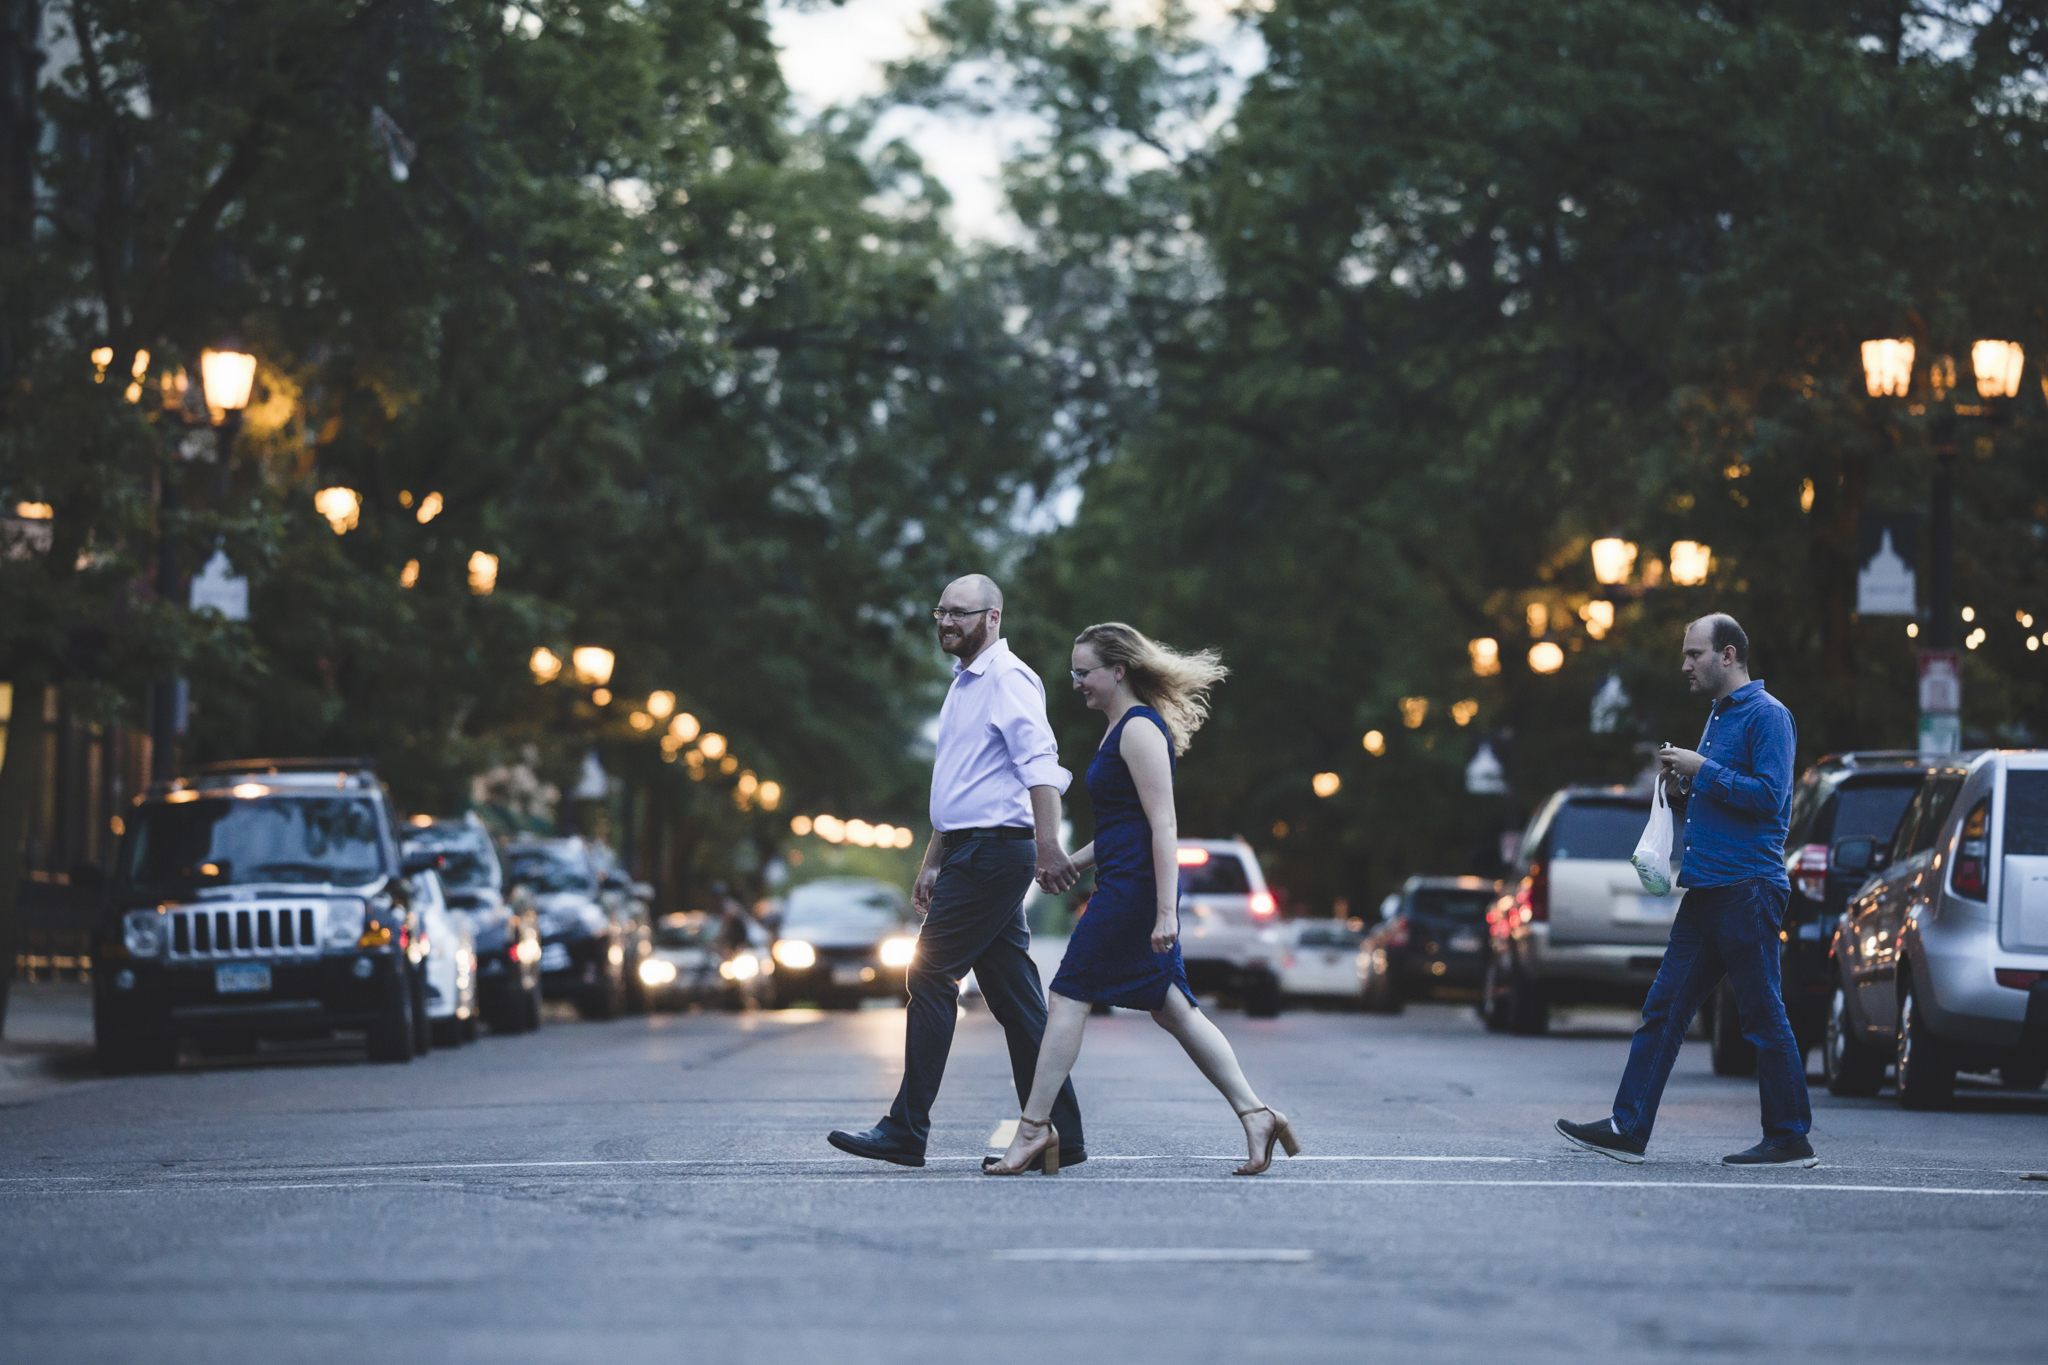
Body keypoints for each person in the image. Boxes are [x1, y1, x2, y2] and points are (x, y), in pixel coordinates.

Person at [983, 622, 1300, 1177]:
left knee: (1068, 995)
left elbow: (1163, 823)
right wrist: (1067, 863)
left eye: (1085, 672)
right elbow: (1122, 826)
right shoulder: (1116, 731)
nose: (1076, 681)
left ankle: (1034, 1128)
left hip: (1132, 893)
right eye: (1074, 672)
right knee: (1173, 1007)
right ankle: (1257, 1114)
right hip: (1121, 880)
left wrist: (1165, 910)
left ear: (1118, 671)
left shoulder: (1137, 730)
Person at [827, 574, 1087, 1168]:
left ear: (992, 618)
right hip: (971, 849)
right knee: (1016, 1000)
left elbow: (1039, 765)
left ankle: (905, 1130)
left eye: (960, 614)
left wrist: (1048, 846)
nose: (946, 623)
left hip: (997, 850)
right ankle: (1062, 1134)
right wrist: (931, 860)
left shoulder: (1008, 679)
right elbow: (960, 784)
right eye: (940, 612)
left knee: (929, 976)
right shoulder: (965, 684)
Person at [1557, 613, 1817, 1168]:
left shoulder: (1769, 717)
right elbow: (1723, 797)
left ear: (1729, 656)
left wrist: (1703, 770)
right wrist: (1681, 791)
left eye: (1695, 654)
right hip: (1706, 890)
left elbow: (1771, 799)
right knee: (1663, 1009)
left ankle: (1790, 1136)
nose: (1685, 665)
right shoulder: (1718, 717)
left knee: (1761, 1015)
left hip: (1748, 888)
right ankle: (1628, 1127)